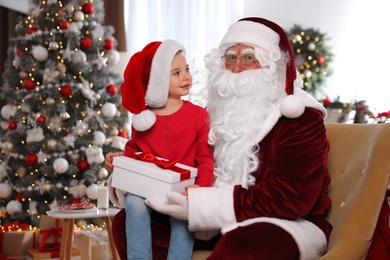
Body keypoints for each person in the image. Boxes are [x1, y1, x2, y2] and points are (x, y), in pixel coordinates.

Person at [145, 17, 332, 259]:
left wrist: (202, 205)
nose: (236, 67)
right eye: (230, 57)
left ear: (270, 66)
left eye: (248, 58)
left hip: (288, 223)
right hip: (212, 221)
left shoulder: (301, 119)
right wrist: (136, 173)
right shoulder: (213, 114)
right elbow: (181, 159)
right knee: (136, 220)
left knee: (243, 244)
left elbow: (291, 199)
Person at [106, 39, 214, 260]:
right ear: (157, 80)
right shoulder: (144, 120)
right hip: (147, 186)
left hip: (181, 187)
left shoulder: (198, 115)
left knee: (182, 216)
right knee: (134, 203)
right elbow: (133, 151)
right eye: (176, 73)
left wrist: (201, 186)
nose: (186, 77)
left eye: (186, 70)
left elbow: (205, 158)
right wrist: (119, 159)